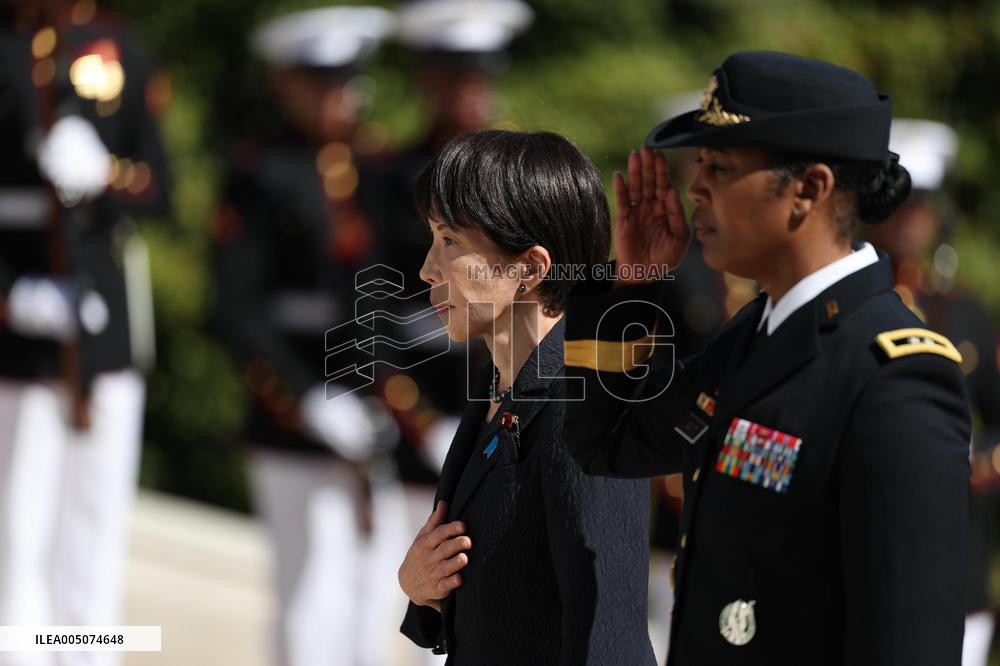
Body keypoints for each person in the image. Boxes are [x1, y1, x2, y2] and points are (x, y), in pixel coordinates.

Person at [562, 51, 971, 665]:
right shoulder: (754, 336)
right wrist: (633, 286)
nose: (694, 187)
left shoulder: (896, 375)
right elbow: (607, 444)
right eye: (699, 163)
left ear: (808, 189)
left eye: (720, 166)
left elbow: (907, 641)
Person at [397, 130, 657, 665]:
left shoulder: (581, 406)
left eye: (450, 242)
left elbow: (607, 630)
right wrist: (422, 590)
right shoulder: (499, 384)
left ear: (531, 269)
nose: (427, 268)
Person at [207, 7, 409, 666]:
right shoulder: (261, 173)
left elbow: (394, 297)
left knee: (370, 597)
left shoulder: (379, 172)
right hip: (294, 417)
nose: (337, 97)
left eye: (345, 81)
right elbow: (237, 309)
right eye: (320, 82)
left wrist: (392, 400)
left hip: (374, 414)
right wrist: (306, 399)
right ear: (286, 86)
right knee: (311, 597)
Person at [0, 2, 168, 664]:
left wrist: (104, 173)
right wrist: (13, 298)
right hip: (21, 339)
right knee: (17, 537)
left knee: (94, 537)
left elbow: (161, 188)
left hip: (105, 335)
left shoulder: (119, 45)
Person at [864, 118, 1000, 666]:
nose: (911, 221)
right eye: (902, 205)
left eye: (921, 207)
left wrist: (978, 463)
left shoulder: (964, 309)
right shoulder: (859, 300)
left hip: (954, 545)